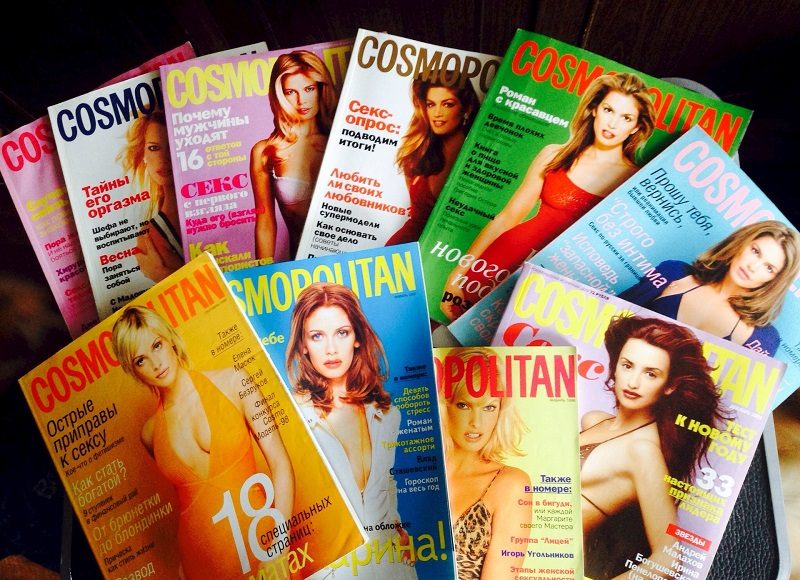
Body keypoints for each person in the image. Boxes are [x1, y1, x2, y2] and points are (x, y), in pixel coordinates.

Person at [441, 72, 656, 321]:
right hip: (501, 260)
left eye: (626, 117)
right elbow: (507, 217)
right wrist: (458, 273)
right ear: (594, 109)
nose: (613, 124)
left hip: (554, 285)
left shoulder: (635, 180)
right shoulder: (554, 154)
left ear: (636, 126)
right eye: (608, 110)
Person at [111, 305, 295, 579]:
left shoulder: (235, 382)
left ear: (170, 338)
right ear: (133, 370)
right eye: (140, 360)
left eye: (157, 345)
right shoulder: (150, 434)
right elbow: (192, 505)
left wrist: (278, 550)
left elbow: (280, 463)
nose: (156, 363)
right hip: (198, 566)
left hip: (263, 546)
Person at [580, 315, 727, 579]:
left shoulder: (643, 451)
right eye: (627, 366)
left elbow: (668, 560)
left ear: (670, 385)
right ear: (615, 367)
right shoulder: (595, 420)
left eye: (650, 373)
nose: (633, 382)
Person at [285, 283, 416, 579]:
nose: (331, 349)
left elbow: (386, 484)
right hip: (332, 569)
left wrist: (397, 526)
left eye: (342, 333)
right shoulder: (292, 416)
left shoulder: (387, 415)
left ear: (357, 337)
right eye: (317, 336)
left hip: (391, 565)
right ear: (303, 345)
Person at [619, 220, 800, 357]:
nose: (753, 266)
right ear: (741, 242)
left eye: (769, 268)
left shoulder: (763, 339)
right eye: (755, 251)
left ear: (775, 281)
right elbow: (610, 313)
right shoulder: (672, 272)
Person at [437, 348, 531, 580]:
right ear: (445, 405)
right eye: (464, 405)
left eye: (489, 407)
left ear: (500, 410)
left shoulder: (510, 484)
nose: (476, 423)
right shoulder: (416, 471)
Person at [251, 51, 339, 260]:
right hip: (301, 265)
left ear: (321, 88)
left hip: (355, 259)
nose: (301, 101)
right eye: (291, 92)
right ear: (280, 95)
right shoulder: (265, 152)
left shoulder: (342, 140)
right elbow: (265, 223)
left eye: (309, 89)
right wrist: (262, 274)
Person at [386, 75, 479, 245]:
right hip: (401, 250)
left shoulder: (478, 157)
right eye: (431, 104)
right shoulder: (417, 157)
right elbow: (416, 217)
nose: (437, 113)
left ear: (466, 108)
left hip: (444, 252)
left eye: (448, 104)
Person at [117, 111, 184, 282]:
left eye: (173, 146)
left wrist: (162, 274)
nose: (163, 158)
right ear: (143, 155)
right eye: (154, 148)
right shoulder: (151, 236)